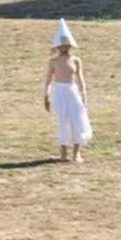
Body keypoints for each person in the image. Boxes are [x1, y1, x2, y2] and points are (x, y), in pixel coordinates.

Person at [43, 20, 91, 162]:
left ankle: (77, 152)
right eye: (62, 43)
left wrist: (84, 94)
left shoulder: (76, 60)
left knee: (76, 119)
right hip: (59, 91)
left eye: (67, 43)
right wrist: (46, 95)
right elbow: (48, 80)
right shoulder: (53, 61)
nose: (65, 46)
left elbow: (80, 78)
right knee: (62, 120)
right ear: (58, 45)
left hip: (72, 90)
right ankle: (63, 150)